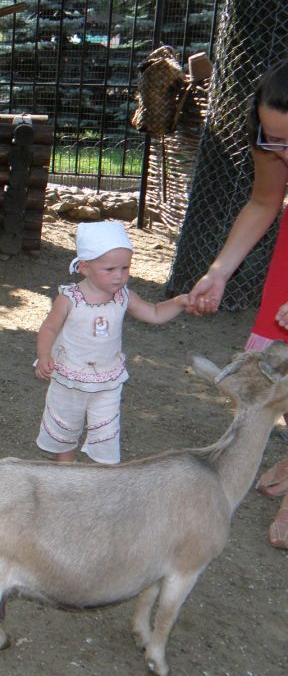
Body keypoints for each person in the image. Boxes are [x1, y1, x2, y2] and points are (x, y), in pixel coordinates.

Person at [187, 59, 288, 548]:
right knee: (281, 364)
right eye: (274, 141)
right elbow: (265, 203)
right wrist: (218, 271)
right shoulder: (273, 143)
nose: (281, 152)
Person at [35, 221, 189, 464]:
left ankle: (103, 475)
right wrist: (44, 356)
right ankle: (64, 473)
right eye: (110, 269)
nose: (119, 276)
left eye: (125, 268)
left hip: (108, 380)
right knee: (65, 426)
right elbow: (49, 327)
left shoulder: (125, 297)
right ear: (85, 267)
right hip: (70, 376)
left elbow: (156, 313)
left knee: (105, 431)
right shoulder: (69, 298)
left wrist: (180, 302)